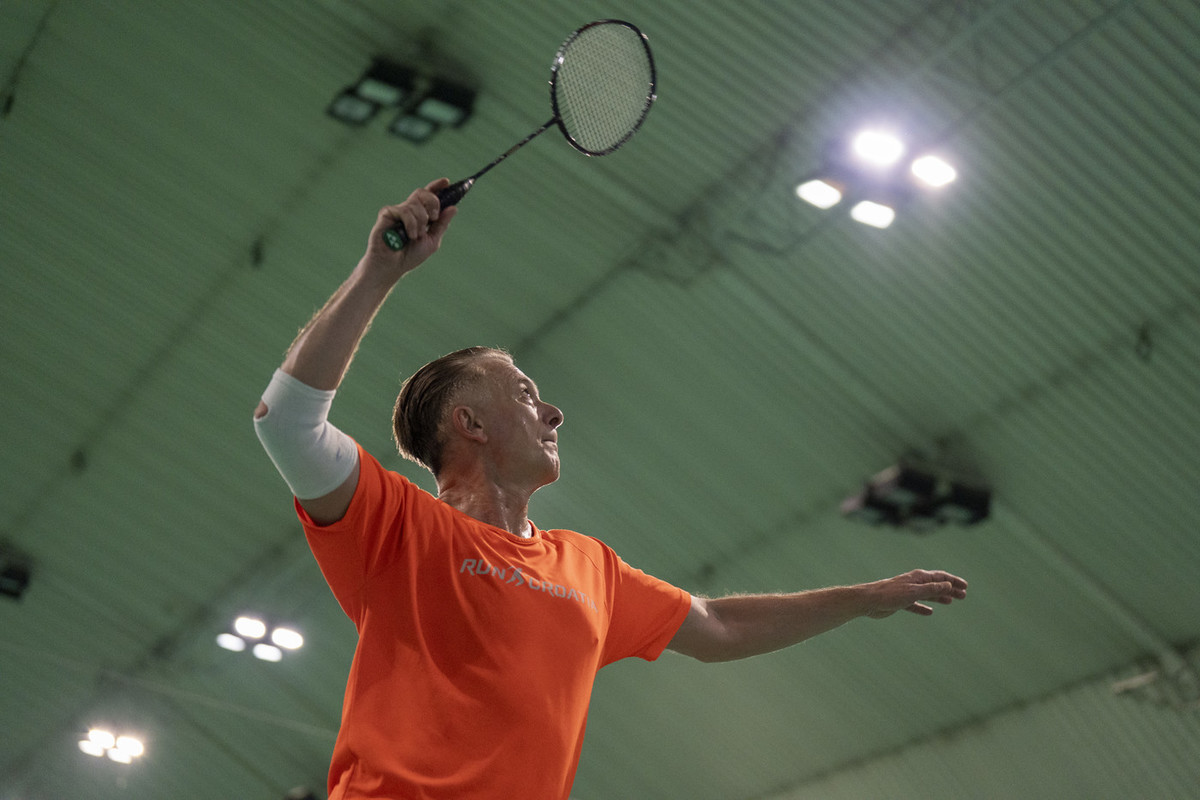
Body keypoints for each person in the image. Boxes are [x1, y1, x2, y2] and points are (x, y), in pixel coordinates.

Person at [254, 178, 969, 800]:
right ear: (468, 423)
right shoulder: (400, 528)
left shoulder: (589, 567)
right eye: (525, 393)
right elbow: (285, 422)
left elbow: (718, 626)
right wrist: (378, 273)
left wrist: (861, 599)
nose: (554, 412)